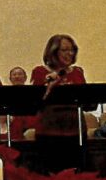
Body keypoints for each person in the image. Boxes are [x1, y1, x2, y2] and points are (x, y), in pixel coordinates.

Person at [30, 34, 87, 170]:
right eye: (65, 50)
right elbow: (36, 102)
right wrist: (50, 85)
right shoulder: (40, 72)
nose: (70, 54)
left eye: (72, 50)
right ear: (53, 52)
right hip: (50, 131)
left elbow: (86, 99)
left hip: (75, 130)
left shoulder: (77, 72)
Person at [6, 66, 34, 141]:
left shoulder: (33, 92)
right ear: (10, 79)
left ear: (25, 78)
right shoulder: (5, 93)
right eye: (14, 74)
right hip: (12, 121)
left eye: (20, 74)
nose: (17, 76)